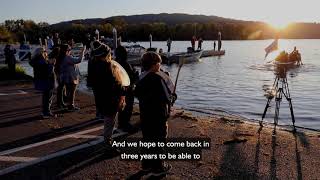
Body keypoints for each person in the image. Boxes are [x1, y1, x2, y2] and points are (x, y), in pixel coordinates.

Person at [135, 52, 177, 177]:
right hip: (158, 116)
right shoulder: (158, 79)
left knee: (147, 139)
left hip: (146, 115)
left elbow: (137, 93)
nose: (160, 65)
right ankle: (158, 167)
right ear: (153, 65)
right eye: (159, 63)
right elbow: (168, 98)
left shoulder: (140, 78)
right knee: (159, 140)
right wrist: (173, 96)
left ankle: (146, 165)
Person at [87, 41, 127, 148]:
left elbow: (91, 83)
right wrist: (123, 94)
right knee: (110, 122)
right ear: (106, 54)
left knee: (107, 120)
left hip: (101, 97)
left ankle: (107, 141)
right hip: (111, 99)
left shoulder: (93, 64)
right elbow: (117, 83)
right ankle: (108, 145)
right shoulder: (109, 66)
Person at [115, 45, 138, 132]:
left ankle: (121, 123)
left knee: (121, 107)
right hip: (127, 90)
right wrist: (135, 73)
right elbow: (131, 78)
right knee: (128, 107)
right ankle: (125, 124)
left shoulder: (115, 63)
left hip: (118, 89)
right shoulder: (125, 64)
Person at [29, 47, 56, 118]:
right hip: (46, 81)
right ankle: (46, 112)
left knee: (46, 97)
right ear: (41, 53)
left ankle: (45, 112)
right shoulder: (41, 61)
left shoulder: (36, 60)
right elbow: (48, 72)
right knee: (48, 97)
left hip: (41, 80)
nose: (46, 52)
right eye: (45, 51)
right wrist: (52, 64)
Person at [59, 44, 86, 111]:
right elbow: (79, 60)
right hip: (71, 78)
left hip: (66, 77)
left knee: (69, 92)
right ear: (67, 50)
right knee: (72, 92)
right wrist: (82, 51)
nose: (70, 51)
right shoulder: (67, 57)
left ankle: (69, 105)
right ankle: (71, 106)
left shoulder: (61, 57)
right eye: (69, 49)